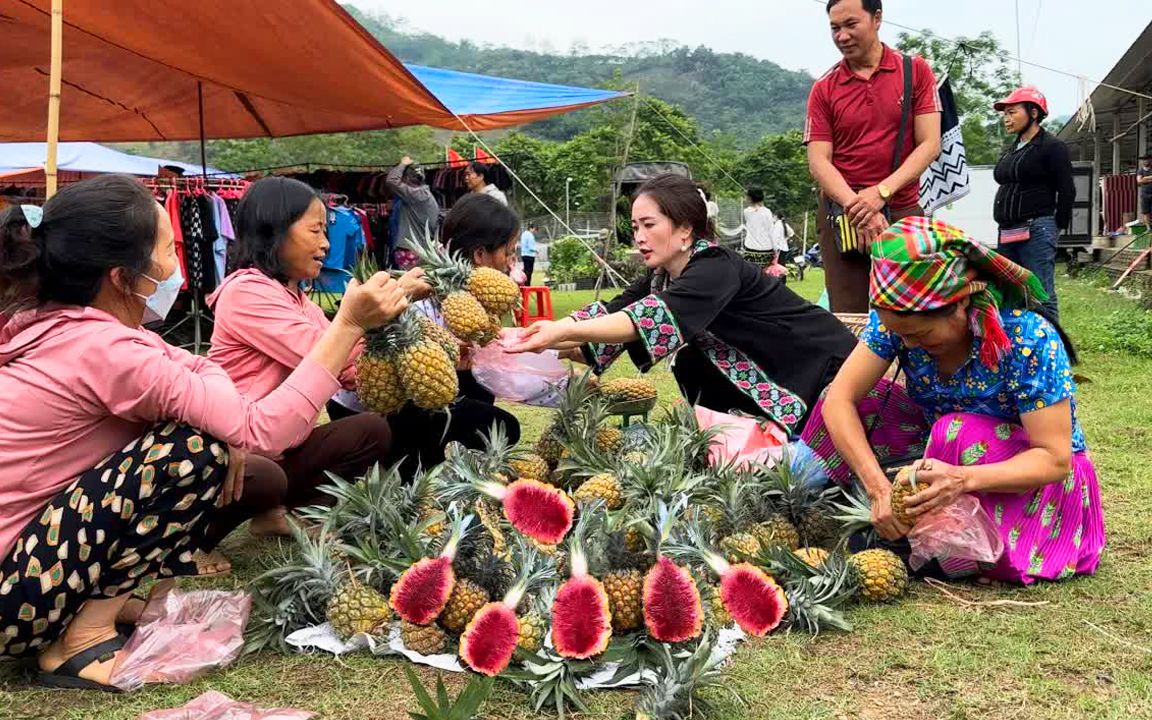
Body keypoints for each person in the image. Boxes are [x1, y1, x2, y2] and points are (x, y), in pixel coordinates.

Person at [0, 175, 408, 689]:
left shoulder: (77, 327)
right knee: (194, 451)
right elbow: (261, 429)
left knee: (207, 435)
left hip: (33, 567)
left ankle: (94, 605)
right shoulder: (106, 349)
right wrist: (347, 324)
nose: (176, 268)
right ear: (123, 277)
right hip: (16, 594)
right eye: (168, 251)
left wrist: (220, 412)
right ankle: (78, 643)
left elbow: (199, 366)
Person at [817, 217, 1104, 585]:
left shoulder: (1028, 338)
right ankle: (861, 515)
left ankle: (950, 545)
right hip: (951, 460)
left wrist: (961, 478)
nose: (907, 345)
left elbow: (1054, 460)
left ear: (961, 304)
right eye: (898, 334)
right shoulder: (896, 323)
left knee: (957, 430)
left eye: (920, 335)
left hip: (1034, 483)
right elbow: (839, 401)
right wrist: (878, 487)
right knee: (862, 403)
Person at [506, 174, 858, 436]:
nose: (639, 237)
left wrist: (562, 330)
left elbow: (643, 320)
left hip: (820, 367)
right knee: (690, 362)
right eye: (635, 227)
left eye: (649, 225)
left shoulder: (715, 266)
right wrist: (531, 339)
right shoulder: (662, 277)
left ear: (686, 230)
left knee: (690, 360)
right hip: (777, 372)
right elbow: (612, 315)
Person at [207, 177, 425, 536]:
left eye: (326, 232)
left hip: (281, 446)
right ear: (273, 230)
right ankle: (204, 536)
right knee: (264, 475)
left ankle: (275, 514)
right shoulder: (245, 293)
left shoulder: (300, 301)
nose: (326, 244)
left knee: (370, 430)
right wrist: (390, 299)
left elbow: (350, 364)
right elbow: (324, 351)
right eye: (316, 231)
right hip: (242, 449)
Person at [327, 193, 522, 473]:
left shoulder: (470, 298)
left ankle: (434, 459)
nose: (509, 262)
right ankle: (404, 465)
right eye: (508, 252)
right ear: (480, 255)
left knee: (478, 381)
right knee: (504, 428)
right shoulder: (419, 291)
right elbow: (398, 373)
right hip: (370, 410)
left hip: (415, 399)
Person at [805, 0, 942, 313]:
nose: (842, 36)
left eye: (851, 25)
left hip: (902, 210)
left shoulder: (915, 71)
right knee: (850, 317)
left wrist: (881, 193)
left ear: (877, 18)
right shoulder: (824, 88)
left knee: (913, 314)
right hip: (842, 216)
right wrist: (860, 208)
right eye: (834, 28)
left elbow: (929, 144)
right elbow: (818, 161)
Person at [992, 87, 1074, 321]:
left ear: (1034, 113)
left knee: (1040, 292)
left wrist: (1056, 225)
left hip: (1037, 228)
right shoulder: (1012, 148)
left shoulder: (1052, 146)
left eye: (1012, 112)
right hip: (1007, 231)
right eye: (1004, 114)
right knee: (1009, 291)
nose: (1006, 118)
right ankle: (1017, 343)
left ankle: (1052, 348)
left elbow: (1066, 189)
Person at [385, 155, 441, 263]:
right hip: (420, 250)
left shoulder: (416, 195)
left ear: (406, 178)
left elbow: (391, 181)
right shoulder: (422, 195)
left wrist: (403, 164)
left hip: (413, 251)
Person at [741, 186, 788, 271]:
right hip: (766, 250)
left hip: (750, 249)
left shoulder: (746, 212)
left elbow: (755, 212)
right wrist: (775, 249)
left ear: (750, 198)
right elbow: (771, 232)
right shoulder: (767, 212)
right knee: (764, 274)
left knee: (751, 274)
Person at [1138, 153, 1152, 231]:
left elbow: (1142, 180)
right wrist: (1148, 178)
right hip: (1145, 194)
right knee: (1146, 212)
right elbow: (1139, 181)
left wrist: (1145, 178)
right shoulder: (1140, 170)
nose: (1145, 161)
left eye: (1147, 159)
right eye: (1144, 160)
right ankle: (1148, 228)